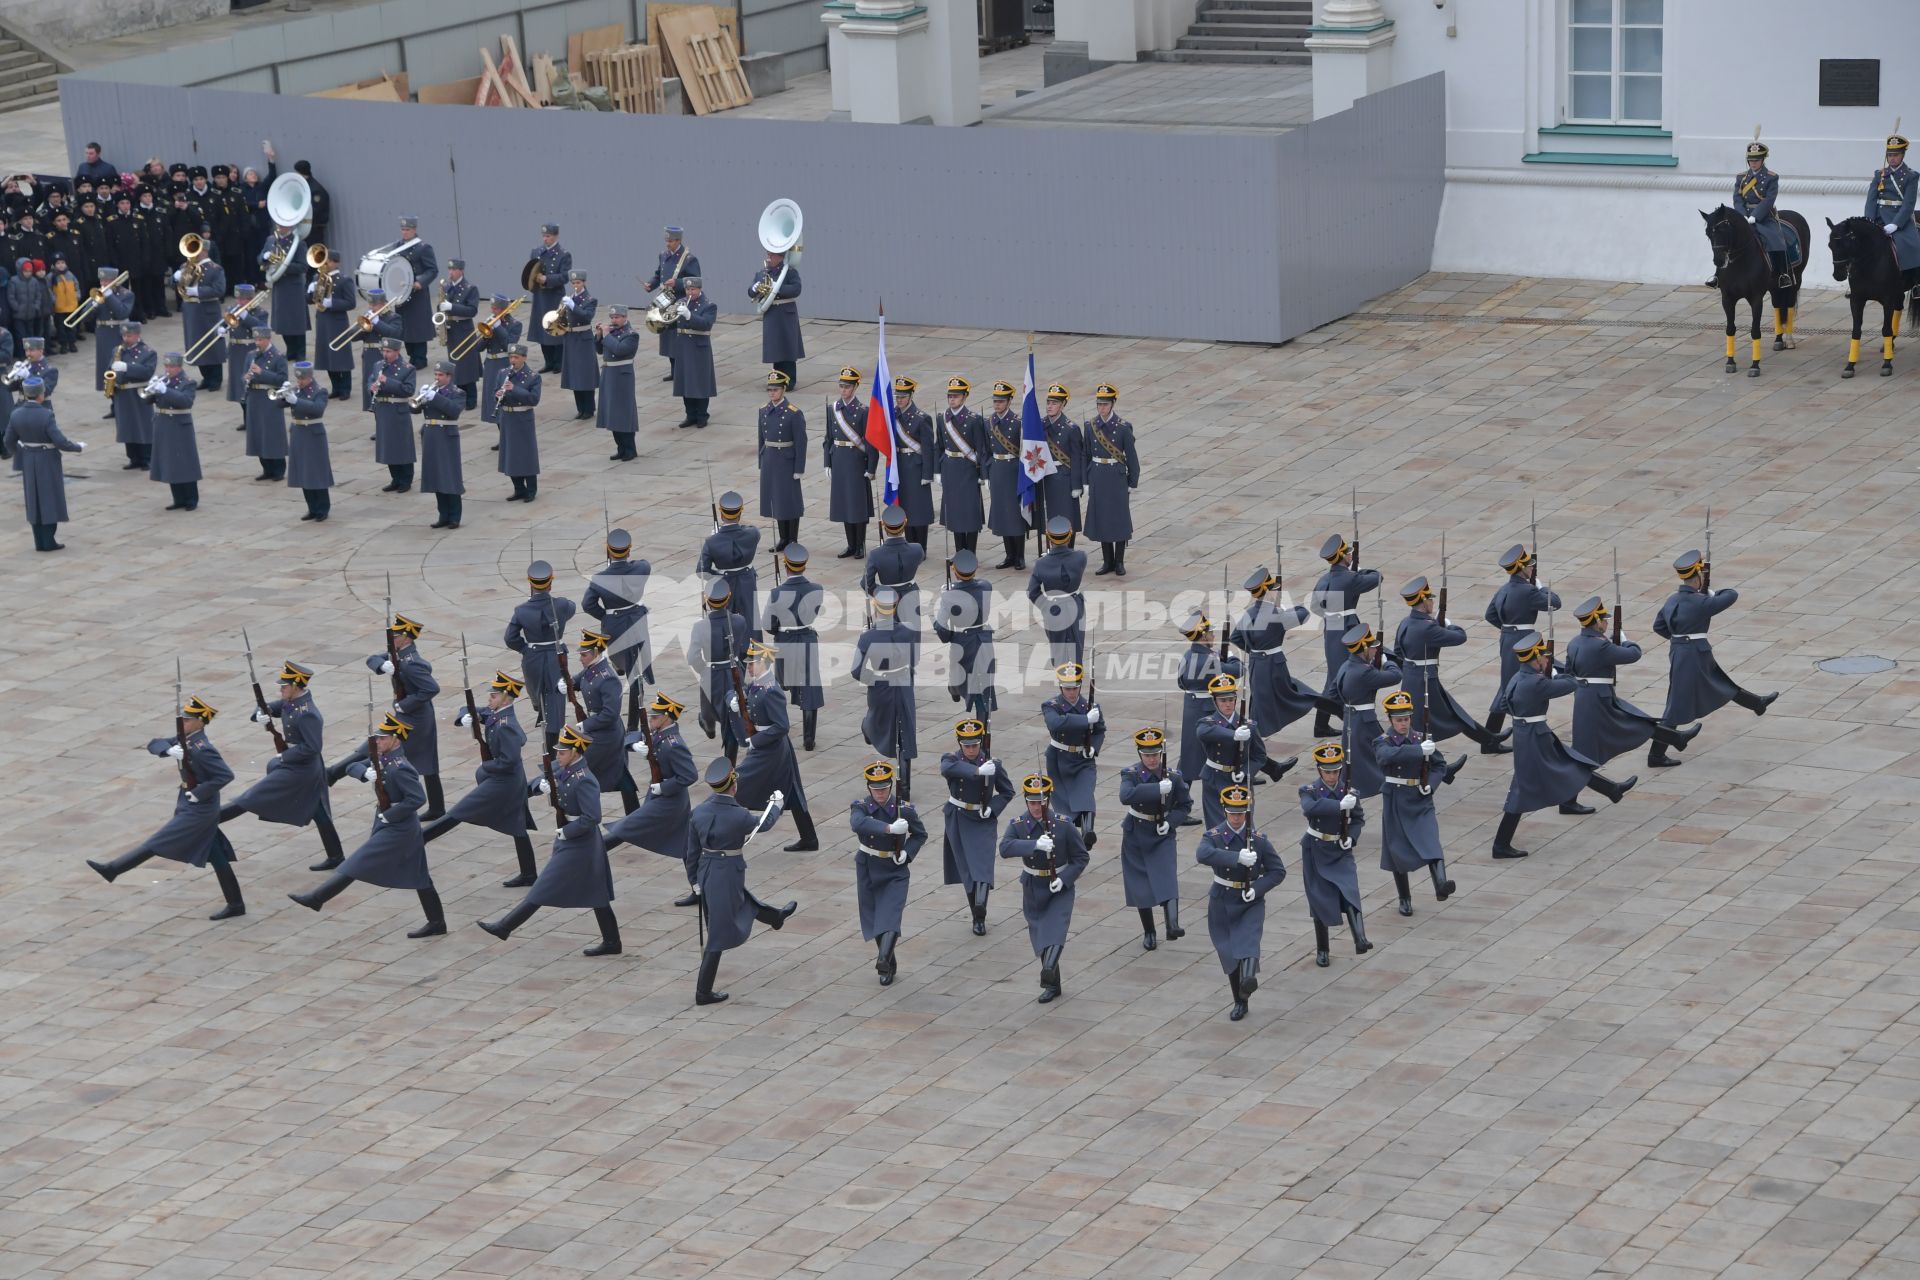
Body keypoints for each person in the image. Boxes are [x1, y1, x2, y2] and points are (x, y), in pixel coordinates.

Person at [288, 712, 447, 939]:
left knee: (358, 861)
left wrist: (390, 815)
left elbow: (417, 799)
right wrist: (365, 772)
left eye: (383, 738)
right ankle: (437, 921)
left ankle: (318, 897)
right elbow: (352, 767)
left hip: (399, 828)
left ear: (396, 739)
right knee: (420, 875)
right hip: (389, 823)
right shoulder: (382, 759)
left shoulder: (400, 767)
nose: (378, 741)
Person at [87, 695, 246, 920]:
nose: (183, 723)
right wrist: (168, 750)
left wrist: (198, 793)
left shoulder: (202, 747)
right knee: (217, 857)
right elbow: (154, 743)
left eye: (188, 720)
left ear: (200, 722)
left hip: (200, 810)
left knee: (159, 841)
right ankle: (236, 904)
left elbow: (225, 775)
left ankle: (114, 869)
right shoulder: (185, 739)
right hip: (189, 805)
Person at [1489, 631, 1638, 860]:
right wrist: (1559, 673)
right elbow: (1571, 684)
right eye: (1545, 657)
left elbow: (1503, 704)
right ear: (1536, 658)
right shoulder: (1536, 683)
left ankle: (1611, 790)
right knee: (1522, 788)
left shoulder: (1518, 678)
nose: (1548, 660)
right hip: (1533, 738)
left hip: (1530, 733)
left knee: (1570, 763)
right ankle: (1500, 845)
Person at [479, 725, 622, 957]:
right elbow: (542, 778)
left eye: (563, 752)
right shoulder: (564, 767)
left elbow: (592, 817)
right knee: (597, 892)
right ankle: (612, 942)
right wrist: (539, 787)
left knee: (545, 884)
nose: (558, 756)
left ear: (575, 752)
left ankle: (505, 925)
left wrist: (568, 832)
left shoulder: (585, 779)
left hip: (580, 842)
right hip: (571, 839)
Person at [217, 660, 348, 872]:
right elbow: (271, 708)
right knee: (318, 810)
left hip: (302, 769)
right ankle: (336, 855)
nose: (281, 689)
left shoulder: (308, 713)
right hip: (297, 766)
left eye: (284, 686)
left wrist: (284, 757)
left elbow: (313, 747)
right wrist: (261, 712)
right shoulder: (291, 703)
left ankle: (212, 819)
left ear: (296, 686)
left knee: (253, 796)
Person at [1650, 549, 1779, 763]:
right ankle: (1656, 754)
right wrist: (1710, 591)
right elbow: (1731, 595)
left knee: (1720, 682)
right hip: (1693, 653)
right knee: (1675, 703)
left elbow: (1659, 626)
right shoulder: (1700, 602)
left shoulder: (1672, 600)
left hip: (1684, 651)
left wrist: (1679, 640)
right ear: (1697, 577)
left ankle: (1757, 703)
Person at [689, 758, 792, 1005]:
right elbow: (763, 825)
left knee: (741, 901)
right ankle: (703, 991)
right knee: (717, 932)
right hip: (727, 871)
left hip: (707, 869)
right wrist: (776, 805)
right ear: (734, 786)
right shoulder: (738, 815)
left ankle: (775, 917)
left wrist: (694, 880)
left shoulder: (699, 812)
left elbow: (690, 850)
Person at [428, 670, 538, 887]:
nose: (489, 699)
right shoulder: (497, 714)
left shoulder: (507, 726)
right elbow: (470, 709)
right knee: (517, 826)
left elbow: (508, 761)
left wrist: (485, 765)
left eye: (494, 696)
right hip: (504, 779)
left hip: (504, 781)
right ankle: (529, 873)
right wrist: (468, 716)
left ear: (506, 698)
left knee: (459, 811)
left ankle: (418, 840)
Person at [1566, 596, 1699, 768]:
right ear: (1597, 621)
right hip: (1598, 698)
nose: (1606, 624)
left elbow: (1569, 673)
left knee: (1636, 719)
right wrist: (1624, 640)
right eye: (1604, 620)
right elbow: (1634, 654)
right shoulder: (1600, 646)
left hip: (1589, 696)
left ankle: (1677, 738)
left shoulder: (1574, 643)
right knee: (1586, 750)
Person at [1194, 782, 1286, 1020]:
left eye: (1241, 812)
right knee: (1228, 952)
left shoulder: (1258, 840)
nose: (1236, 818)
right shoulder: (1213, 836)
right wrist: (1236, 858)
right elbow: (1202, 854)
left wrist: (1256, 890)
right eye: (1232, 812)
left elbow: (1278, 871)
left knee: (1248, 941)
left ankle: (1248, 981)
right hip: (1222, 899)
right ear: (1225, 811)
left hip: (1249, 901)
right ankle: (1239, 999)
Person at [601, 691, 701, 907]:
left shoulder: (674, 744)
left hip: (669, 802)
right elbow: (632, 735)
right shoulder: (658, 734)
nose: (651, 720)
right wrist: (633, 745)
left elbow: (690, 775)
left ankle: (592, 849)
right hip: (660, 797)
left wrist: (663, 787)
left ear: (667, 717)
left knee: (626, 827)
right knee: (686, 846)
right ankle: (698, 888)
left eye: (655, 717)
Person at [998, 774, 1089, 1004]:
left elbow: (1081, 857)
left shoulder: (1063, 824)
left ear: (1047, 799)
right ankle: (1053, 983)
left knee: (1055, 930)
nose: (1036, 807)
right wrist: (1034, 845)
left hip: (1058, 885)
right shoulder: (1019, 824)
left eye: (1040, 802)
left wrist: (1065, 878)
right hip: (1033, 886)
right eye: (1031, 802)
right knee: (1040, 933)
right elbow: (1005, 848)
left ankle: (1047, 971)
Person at [1394, 575, 1508, 750]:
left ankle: (1489, 740)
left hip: (1412, 677)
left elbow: (1398, 651)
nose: (1432, 603)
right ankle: (1487, 742)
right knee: (1432, 721)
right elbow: (1460, 637)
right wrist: (1448, 625)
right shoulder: (1427, 627)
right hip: (1424, 680)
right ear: (1423, 602)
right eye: (1430, 599)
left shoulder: (1406, 622)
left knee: (1454, 712)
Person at [1374, 690, 1461, 917]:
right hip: (1396, 798)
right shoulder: (1383, 741)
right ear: (1390, 720)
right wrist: (1417, 750)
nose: (1403, 724)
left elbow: (1439, 766)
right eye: (1399, 720)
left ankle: (1441, 885)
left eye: (1406, 719)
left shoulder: (1422, 738)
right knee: (1397, 851)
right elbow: (1386, 757)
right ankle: (1404, 897)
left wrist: (1430, 785)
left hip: (1420, 798)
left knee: (1431, 840)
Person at [730, 639, 819, 851]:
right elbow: (737, 691)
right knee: (793, 792)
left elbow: (782, 726)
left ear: (765, 663)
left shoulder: (771, 689)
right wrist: (732, 700)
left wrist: (756, 740)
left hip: (771, 749)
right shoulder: (757, 684)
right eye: (748, 663)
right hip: (771, 748)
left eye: (753, 663)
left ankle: (729, 827)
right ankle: (809, 839)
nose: (749, 667)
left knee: (736, 782)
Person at [848, 760, 923, 985]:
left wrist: (907, 853)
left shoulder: (904, 810)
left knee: (890, 915)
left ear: (891, 786)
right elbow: (858, 824)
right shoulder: (860, 807)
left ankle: (882, 959)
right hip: (868, 866)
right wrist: (888, 828)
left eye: (883, 788)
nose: (880, 793)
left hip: (894, 869)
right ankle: (889, 958)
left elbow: (920, 835)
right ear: (869, 788)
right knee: (873, 916)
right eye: (875, 788)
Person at [1117, 726, 1191, 951]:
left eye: (1155, 754)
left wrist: (1171, 823)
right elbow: (1125, 796)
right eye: (1147, 754)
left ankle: (1173, 924)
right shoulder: (1130, 774)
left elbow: (1185, 805)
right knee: (1141, 885)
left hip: (1162, 832)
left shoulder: (1174, 777)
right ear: (1140, 754)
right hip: (1137, 833)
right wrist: (1155, 788)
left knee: (1167, 876)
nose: (1152, 759)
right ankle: (1149, 930)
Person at [366, 614, 445, 820]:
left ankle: (413, 801)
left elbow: (431, 688)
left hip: (416, 718)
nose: (392, 638)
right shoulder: (397, 654)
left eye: (396, 635)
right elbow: (371, 658)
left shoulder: (411, 663)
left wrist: (404, 704)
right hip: (410, 714)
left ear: (407, 638)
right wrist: (381, 665)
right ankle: (437, 807)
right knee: (425, 760)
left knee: (403, 756)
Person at [939, 717, 1014, 934]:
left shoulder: (993, 764)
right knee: (967, 870)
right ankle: (976, 916)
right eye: (967, 745)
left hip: (982, 819)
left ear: (981, 742)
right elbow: (947, 768)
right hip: (959, 817)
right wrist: (978, 772)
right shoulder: (951, 759)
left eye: (974, 745)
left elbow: (1007, 791)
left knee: (982, 864)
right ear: (960, 744)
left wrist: (992, 808)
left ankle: (981, 907)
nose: (971, 749)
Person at [1299, 741, 1370, 967]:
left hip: (1340, 850)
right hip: (1316, 848)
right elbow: (1310, 809)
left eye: (1336, 771)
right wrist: (1339, 806)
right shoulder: (1309, 791)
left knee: (1350, 891)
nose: (1332, 776)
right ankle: (1323, 949)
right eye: (1328, 771)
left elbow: (1357, 819)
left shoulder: (1349, 792)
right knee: (1320, 899)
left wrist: (1353, 837)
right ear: (1319, 770)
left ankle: (1360, 938)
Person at [1231, 566, 1323, 739]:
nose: (1277, 592)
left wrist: (1255, 649)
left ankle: (1253, 737)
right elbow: (1303, 615)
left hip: (1257, 663)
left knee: (1259, 701)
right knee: (1294, 695)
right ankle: (1253, 739)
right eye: (1273, 589)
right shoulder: (1275, 614)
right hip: (1274, 665)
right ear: (1267, 592)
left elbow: (1235, 637)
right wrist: (1284, 609)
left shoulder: (1249, 613)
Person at [1481, 543, 1558, 747]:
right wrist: (1542, 587)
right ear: (1521, 568)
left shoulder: (1504, 589)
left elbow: (1490, 615)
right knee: (1517, 685)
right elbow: (1555, 603)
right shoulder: (1528, 591)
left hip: (1507, 639)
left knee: (1507, 685)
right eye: (1529, 566)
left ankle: (1489, 739)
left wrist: (1508, 629)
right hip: (1525, 640)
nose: (1532, 568)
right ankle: (1495, 739)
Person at [1195, 674, 1293, 829]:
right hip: (1215, 778)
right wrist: (1233, 734)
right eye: (1223, 701)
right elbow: (1203, 733)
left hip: (1240, 780)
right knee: (1217, 827)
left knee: (1244, 826)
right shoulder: (1208, 723)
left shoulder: (1249, 725)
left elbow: (1259, 756)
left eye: (1230, 700)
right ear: (1215, 702)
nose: (1227, 704)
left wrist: (1247, 772)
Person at [1310, 532, 1382, 737]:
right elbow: (1377, 577)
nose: (1351, 556)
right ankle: (1350, 717)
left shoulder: (1324, 580)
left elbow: (1315, 606)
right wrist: (1359, 570)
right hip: (1347, 629)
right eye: (1349, 553)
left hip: (1331, 628)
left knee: (1333, 676)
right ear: (1344, 557)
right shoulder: (1350, 578)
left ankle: (1321, 725)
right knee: (1341, 676)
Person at [505, 560, 578, 753]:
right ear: (550, 583)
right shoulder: (561, 605)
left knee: (538, 694)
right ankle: (552, 749)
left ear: (530, 584)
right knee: (556, 699)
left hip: (533, 658)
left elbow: (510, 638)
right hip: (555, 657)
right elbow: (572, 607)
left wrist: (526, 649)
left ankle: (541, 710)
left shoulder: (521, 611)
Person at [3, 376, 82, 552]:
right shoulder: (46, 415)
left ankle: (39, 541)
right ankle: (48, 541)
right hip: (46, 459)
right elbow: (59, 441)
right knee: (49, 498)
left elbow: (8, 441)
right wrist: (77, 447)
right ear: (40, 395)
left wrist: (21, 452)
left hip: (28, 458)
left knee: (33, 499)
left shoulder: (16, 414)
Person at [854, 587, 919, 799]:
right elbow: (914, 660)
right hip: (903, 684)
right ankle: (906, 787)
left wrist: (873, 679)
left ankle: (867, 728)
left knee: (878, 721)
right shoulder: (909, 631)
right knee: (905, 731)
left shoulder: (867, 638)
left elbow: (857, 671)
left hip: (881, 686)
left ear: (875, 607)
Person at [763, 544, 824, 750]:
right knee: (809, 686)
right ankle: (809, 738)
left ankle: (778, 728)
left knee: (780, 685)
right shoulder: (817, 589)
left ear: (786, 565)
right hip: (807, 638)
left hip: (786, 641)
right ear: (804, 566)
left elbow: (767, 625)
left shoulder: (776, 593)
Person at [1332, 622, 1402, 802]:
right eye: (1372, 648)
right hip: (1364, 720)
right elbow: (1396, 676)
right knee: (1389, 749)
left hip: (1351, 718)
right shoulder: (1364, 672)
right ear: (1363, 649)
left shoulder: (1346, 666)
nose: (1374, 651)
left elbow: (1333, 693)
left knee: (1358, 757)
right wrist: (1387, 663)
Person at [569, 629, 636, 815]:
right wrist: (565, 684)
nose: (581, 658)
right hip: (598, 729)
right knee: (619, 774)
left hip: (607, 733)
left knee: (581, 766)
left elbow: (610, 714)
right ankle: (634, 814)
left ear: (596, 653)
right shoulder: (591, 669)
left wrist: (586, 725)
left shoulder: (608, 678)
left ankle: (586, 812)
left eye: (584, 654)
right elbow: (578, 680)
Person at [1175, 611, 1242, 794]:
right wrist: (1229, 655)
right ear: (1203, 636)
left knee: (1189, 756)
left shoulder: (1188, 656)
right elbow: (1238, 670)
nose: (1214, 635)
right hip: (1206, 709)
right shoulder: (1209, 661)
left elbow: (1181, 683)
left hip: (1192, 705)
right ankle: (1177, 800)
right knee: (1234, 739)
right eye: (1211, 633)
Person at [1041, 661, 1104, 848]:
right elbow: (1056, 724)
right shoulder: (1051, 705)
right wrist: (1084, 719)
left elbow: (1100, 730)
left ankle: (1088, 833)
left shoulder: (1090, 706)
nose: (1071, 692)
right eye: (1067, 688)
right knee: (1064, 804)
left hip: (1082, 759)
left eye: (1075, 688)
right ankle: (1073, 837)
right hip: (1059, 758)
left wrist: (1094, 747)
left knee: (1085, 794)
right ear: (1061, 687)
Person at [933, 548, 997, 725]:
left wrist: (946, 594)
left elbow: (941, 626)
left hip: (962, 643)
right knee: (982, 687)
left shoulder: (948, 596)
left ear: (954, 571)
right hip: (984, 640)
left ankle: (980, 728)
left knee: (969, 685)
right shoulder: (986, 586)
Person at [1081, 383, 1139, 576]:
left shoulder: (1123, 427)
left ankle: (1119, 561)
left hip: (1116, 477)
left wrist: (1132, 482)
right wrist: (1086, 480)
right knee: (1103, 519)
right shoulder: (1090, 426)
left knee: (1119, 519)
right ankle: (1107, 561)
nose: (1102, 408)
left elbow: (1131, 457)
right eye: (1099, 404)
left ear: (1113, 404)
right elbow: (1086, 454)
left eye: (1105, 404)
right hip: (1098, 475)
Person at [582, 528, 652, 682]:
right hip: (637, 618)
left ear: (609, 551)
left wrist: (606, 616)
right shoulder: (643, 568)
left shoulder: (599, 579)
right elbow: (639, 564)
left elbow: (587, 604)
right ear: (628, 551)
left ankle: (619, 664)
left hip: (614, 624)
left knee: (616, 652)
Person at [691, 578, 750, 760]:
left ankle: (709, 725)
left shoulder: (700, 627)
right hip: (734, 672)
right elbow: (742, 648)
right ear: (728, 597)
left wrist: (703, 670)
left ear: (707, 600)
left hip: (712, 674)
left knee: (709, 710)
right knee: (732, 717)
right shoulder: (739, 621)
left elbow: (692, 657)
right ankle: (729, 761)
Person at [825, 366, 875, 557]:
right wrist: (827, 463)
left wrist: (871, 467)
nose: (843, 390)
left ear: (855, 388)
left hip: (855, 462)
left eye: (847, 387)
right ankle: (851, 544)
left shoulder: (863, 411)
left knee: (857, 506)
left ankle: (860, 544)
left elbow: (870, 442)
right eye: (841, 386)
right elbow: (828, 438)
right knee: (845, 504)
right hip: (839, 460)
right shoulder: (834, 409)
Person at [935, 376, 987, 554]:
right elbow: (939, 446)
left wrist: (983, 475)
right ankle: (959, 551)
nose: (952, 399)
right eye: (950, 396)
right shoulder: (942, 418)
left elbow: (981, 449)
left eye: (956, 396)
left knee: (970, 512)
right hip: (950, 469)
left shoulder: (974, 420)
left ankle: (970, 551)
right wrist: (938, 470)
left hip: (968, 469)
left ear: (965, 397)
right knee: (955, 512)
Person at [699, 489, 762, 635]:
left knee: (727, 621)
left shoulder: (711, 542)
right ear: (740, 513)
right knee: (751, 618)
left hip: (724, 582)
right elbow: (745, 530)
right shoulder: (753, 534)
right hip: (747, 580)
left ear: (721, 514)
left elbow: (702, 570)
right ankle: (754, 651)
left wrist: (718, 535)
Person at [1027, 516, 1087, 666]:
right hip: (1075, 603)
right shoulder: (1080, 557)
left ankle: (1062, 674)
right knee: (1077, 640)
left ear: (1049, 537)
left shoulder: (1041, 564)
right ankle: (1076, 671)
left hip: (1053, 607)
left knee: (1057, 642)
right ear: (1069, 535)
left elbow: (1032, 592)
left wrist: (1045, 606)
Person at [757, 371, 807, 550]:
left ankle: (792, 538)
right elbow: (761, 439)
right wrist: (761, 461)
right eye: (770, 390)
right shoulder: (764, 411)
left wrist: (799, 467)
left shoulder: (793, 413)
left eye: (776, 389)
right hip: (771, 460)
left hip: (786, 461)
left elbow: (801, 442)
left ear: (784, 389)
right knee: (776, 500)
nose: (772, 393)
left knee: (790, 501)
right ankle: (783, 538)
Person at [863, 503, 925, 646]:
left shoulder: (876, 554)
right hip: (911, 593)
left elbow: (866, 583)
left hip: (886, 599)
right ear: (905, 523)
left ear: (884, 526)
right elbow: (917, 560)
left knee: (889, 637)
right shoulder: (917, 549)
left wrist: (880, 592)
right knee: (912, 636)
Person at [146, 352, 202, 512]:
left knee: (185, 462)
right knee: (170, 462)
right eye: (166, 366)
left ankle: (191, 499)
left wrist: (165, 391)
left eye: (171, 366)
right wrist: (150, 389)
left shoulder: (188, 382)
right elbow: (146, 400)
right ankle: (178, 498)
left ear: (179, 367)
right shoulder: (163, 380)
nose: (168, 369)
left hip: (180, 425)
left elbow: (186, 401)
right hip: (163, 425)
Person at [983, 380, 1028, 569]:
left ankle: (1020, 556)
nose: (997, 405)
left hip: (1013, 470)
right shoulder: (989, 422)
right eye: (995, 401)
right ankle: (1009, 555)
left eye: (1001, 401)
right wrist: (986, 474)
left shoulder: (1018, 422)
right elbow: (985, 450)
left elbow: (1024, 450)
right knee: (1002, 513)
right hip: (997, 470)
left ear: (1009, 401)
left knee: (1015, 514)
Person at [415, 359, 465, 530]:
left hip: (446, 436)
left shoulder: (457, 392)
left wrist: (435, 397)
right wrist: (420, 398)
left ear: (449, 376)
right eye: (436, 374)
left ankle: (455, 517)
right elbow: (413, 409)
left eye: (440, 375)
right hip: (431, 435)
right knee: (436, 476)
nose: (437, 378)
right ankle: (443, 515)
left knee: (449, 476)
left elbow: (454, 411)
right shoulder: (431, 391)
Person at [645, 225, 698, 382]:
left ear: (679, 241)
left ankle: (681, 370)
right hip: (665, 301)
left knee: (678, 337)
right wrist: (650, 284)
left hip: (680, 301)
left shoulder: (689, 259)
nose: (667, 244)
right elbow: (658, 274)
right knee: (667, 337)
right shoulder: (663, 255)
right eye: (666, 240)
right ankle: (674, 370)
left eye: (671, 241)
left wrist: (677, 282)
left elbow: (695, 280)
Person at [1869, 133, 1920, 293]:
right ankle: (1857, 282)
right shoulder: (1880, 174)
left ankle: (1916, 282)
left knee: (1912, 245)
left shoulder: (1911, 176)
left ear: (1902, 155)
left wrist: (1895, 224)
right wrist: (1869, 221)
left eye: (1895, 155)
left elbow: (1908, 205)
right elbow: (1871, 200)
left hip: (1899, 219)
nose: (1892, 158)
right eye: (1889, 155)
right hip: (1879, 217)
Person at [890, 376, 937, 547]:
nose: (899, 400)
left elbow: (927, 448)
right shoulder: (893, 414)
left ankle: (921, 546)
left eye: (903, 397)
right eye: (897, 397)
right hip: (900, 465)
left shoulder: (921, 418)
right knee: (905, 507)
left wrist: (928, 473)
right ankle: (909, 544)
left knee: (919, 508)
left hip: (916, 467)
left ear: (910, 396)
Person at [177, 235, 228, 391]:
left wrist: (198, 291)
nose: (194, 254)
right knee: (196, 344)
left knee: (211, 345)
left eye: (197, 251)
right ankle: (206, 377)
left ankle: (215, 379)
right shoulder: (186, 266)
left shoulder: (215, 269)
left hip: (207, 311)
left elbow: (219, 290)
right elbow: (182, 287)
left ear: (205, 251)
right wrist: (177, 279)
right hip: (191, 310)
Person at [285, 361, 333, 522]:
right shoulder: (296, 390)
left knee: (316, 473)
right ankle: (312, 508)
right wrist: (283, 393)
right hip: (298, 433)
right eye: (298, 379)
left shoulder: (320, 391)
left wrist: (296, 401)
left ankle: (322, 508)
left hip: (313, 434)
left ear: (310, 377)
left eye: (303, 379)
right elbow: (278, 404)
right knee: (303, 472)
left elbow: (317, 409)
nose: (300, 382)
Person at [369, 335, 417, 493]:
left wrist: (387, 382)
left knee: (402, 446)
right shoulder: (378, 365)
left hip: (398, 410)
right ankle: (395, 478)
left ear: (397, 351)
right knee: (388, 446)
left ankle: (406, 480)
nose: (385, 354)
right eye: (384, 351)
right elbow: (370, 380)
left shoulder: (407, 368)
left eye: (389, 351)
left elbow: (408, 390)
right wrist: (372, 387)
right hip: (383, 409)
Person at [496, 343, 542, 501]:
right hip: (507, 417)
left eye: (516, 357)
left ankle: (531, 489)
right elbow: (496, 392)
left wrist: (514, 389)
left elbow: (534, 399)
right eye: (511, 357)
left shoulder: (533, 376)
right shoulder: (503, 373)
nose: (512, 360)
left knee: (526, 454)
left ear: (524, 358)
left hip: (523, 418)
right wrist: (498, 394)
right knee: (511, 455)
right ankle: (518, 488)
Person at [752, 247, 803, 389]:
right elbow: (750, 291)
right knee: (776, 348)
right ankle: (778, 379)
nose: (769, 257)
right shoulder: (763, 273)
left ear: (780, 257)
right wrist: (754, 289)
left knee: (787, 346)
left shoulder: (789, 272)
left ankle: (790, 380)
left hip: (786, 313)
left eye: (771, 255)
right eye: (768, 254)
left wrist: (776, 288)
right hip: (772, 313)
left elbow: (796, 288)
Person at [108, 318, 156, 469]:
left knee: (143, 426)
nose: (126, 339)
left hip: (138, 393)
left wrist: (127, 367)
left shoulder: (148, 352)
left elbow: (147, 372)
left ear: (137, 335)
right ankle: (133, 458)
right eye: (124, 336)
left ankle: (147, 458)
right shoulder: (117, 350)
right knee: (127, 427)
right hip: (122, 393)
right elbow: (110, 368)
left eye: (129, 336)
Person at [392, 216, 439, 368]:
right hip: (401, 292)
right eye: (403, 229)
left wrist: (420, 282)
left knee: (417, 327)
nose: (404, 232)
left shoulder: (423, 248)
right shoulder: (397, 246)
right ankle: (411, 356)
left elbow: (432, 270)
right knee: (404, 326)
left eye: (408, 230)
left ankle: (420, 359)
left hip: (417, 293)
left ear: (414, 230)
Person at [242, 328, 288, 481]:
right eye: (256, 340)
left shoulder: (278, 357)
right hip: (254, 398)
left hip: (269, 398)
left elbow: (282, 379)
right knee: (258, 434)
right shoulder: (251, 355)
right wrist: (246, 377)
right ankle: (266, 468)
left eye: (260, 340)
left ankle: (278, 470)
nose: (257, 343)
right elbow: (244, 375)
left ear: (268, 339)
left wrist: (262, 373)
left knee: (272, 434)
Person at [670, 276, 717, 428]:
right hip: (683, 346)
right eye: (687, 289)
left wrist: (689, 315)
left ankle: (702, 415)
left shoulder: (709, 305)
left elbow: (706, 324)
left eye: (693, 289)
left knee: (700, 383)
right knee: (685, 382)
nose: (690, 292)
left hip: (699, 347)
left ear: (699, 289)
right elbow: (671, 323)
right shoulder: (681, 302)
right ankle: (690, 415)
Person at [309, 249, 355, 400]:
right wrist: (309, 292)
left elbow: (351, 303)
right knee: (327, 356)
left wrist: (331, 303)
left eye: (328, 261)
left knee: (341, 356)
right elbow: (310, 300)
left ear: (336, 263)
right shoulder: (318, 277)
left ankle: (345, 388)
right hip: (322, 321)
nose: (325, 263)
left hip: (337, 322)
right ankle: (336, 387)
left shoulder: (344, 280)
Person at [595, 304, 639, 460]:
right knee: (612, 412)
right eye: (612, 317)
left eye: (617, 317)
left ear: (625, 317)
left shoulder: (631, 334)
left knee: (623, 412)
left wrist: (606, 336)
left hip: (622, 375)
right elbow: (600, 350)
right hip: (609, 373)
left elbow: (620, 350)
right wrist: (599, 336)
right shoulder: (612, 332)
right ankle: (620, 448)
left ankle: (630, 449)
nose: (614, 320)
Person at [260, 220, 308, 361]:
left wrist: (283, 265)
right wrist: (264, 257)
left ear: (290, 226)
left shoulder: (298, 242)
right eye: (279, 224)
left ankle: (300, 352)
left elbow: (302, 267)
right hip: (279, 284)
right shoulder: (271, 240)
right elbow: (260, 258)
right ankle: (291, 350)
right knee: (283, 321)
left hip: (293, 285)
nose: (280, 227)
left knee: (296, 321)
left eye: (283, 225)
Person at [479, 295, 524, 439]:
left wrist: (498, 328)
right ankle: (503, 436)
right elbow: (478, 348)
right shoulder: (491, 321)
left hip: (504, 364)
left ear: (504, 309)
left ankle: (509, 436)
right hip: (490, 365)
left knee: (503, 399)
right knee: (493, 401)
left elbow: (510, 346)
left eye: (496, 308)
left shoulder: (515, 324)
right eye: (492, 307)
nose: (493, 310)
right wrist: (485, 334)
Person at [529, 223, 571, 374]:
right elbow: (530, 270)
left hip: (554, 296)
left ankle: (559, 362)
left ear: (555, 236)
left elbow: (564, 277)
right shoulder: (536, 252)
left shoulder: (563, 254)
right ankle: (548, 362)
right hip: (540, 296)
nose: (545, 239)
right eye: (544, 236)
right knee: (542, 329)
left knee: (555, 328)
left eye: (548, 236)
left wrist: (547, 279)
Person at [439, 258, 481, 409]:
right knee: (455, 366)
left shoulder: (470, 288)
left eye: (454, 270)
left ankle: (471, 400)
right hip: (451, 331)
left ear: (461, 271)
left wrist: (452, 306)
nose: (451, 272)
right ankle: (459, 398)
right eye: (449, 269)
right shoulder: (446, 286)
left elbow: (472, 311)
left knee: (467, 367)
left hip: (464, 331)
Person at [557, 269, 598, 419]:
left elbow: (587, 316)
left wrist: (573, 306)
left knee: (585, 375)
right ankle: (580, 408)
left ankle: (589, 408)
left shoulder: (590, 299)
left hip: (583, 338)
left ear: (584, 283)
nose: (576, 285)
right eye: (573, 283)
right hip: (570, 337)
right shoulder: (568, 298)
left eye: (578, 282)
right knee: (574, 374)